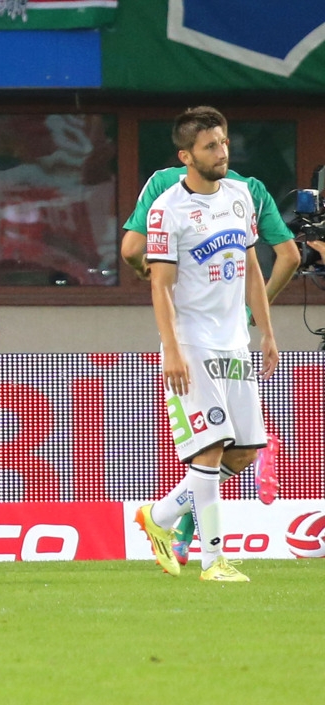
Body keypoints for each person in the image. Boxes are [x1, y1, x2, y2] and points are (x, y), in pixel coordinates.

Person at [120, 149, 296, 565]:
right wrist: (165, 279)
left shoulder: (238, 193)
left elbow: (130, 249)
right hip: (192, 340)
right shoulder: (182, 192)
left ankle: (162, 515)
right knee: (213, 447)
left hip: (232, 340)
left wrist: (257, 322)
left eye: (223, 143)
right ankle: (212, 559)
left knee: (243, 451)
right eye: (213, 144)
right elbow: (288, 256)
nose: (220, 151)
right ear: (192, 151)